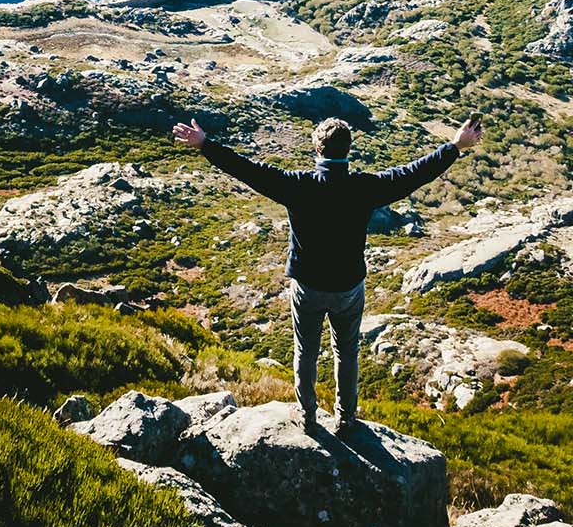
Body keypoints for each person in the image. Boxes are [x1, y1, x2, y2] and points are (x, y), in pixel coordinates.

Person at [171, 111, 484, 435]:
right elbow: (413, 174)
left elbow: (247, 170)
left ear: (316, 150)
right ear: (348, 150)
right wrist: (455, 145)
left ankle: (308, 417)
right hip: (348, 288)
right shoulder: (365, 187)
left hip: (308, 287)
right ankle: (345, 419)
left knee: (305, 350)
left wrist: (205, 145)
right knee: (346, 352)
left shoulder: (296, 185)